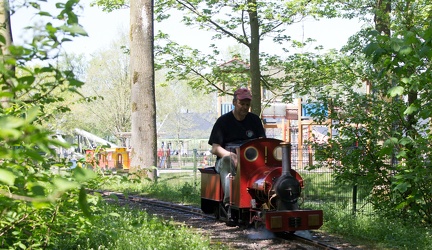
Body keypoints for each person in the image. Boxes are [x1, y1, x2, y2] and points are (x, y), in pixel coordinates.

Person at [208, 87, 266, 207]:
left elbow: (262, 143)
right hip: (226, 162)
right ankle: (230, 201)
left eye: (247, 104)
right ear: (234, 103)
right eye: (242, 104)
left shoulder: (255, 120)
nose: (245, 107)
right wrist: (231, 155)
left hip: (251, 163)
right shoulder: (223, 122)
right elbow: (215, 148)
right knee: (227, 161)